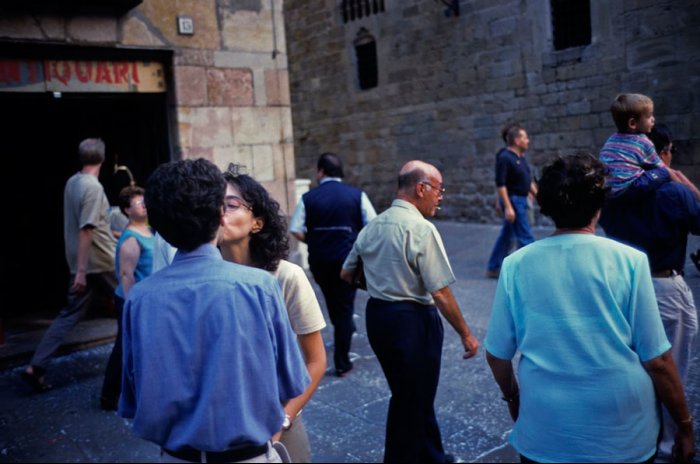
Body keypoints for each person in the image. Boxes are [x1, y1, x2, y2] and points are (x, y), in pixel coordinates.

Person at [486, 153, 695, 463]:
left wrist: (513, 396)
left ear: (546, 206)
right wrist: (685, 425)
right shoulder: (630, 261)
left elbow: (497, 355)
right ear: (599, 207)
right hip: (623, 433)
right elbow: (659, 361)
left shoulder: (515, 265)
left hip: (545, 432)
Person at [119, 158, 310, 463]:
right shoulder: (259, 287)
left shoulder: (139, 299)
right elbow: (291, 383)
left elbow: (133, 398)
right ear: (220, 215)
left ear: (158, 226)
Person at [340, 160, 480, 463]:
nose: (440, 197)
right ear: (421, 188)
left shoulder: (372, 226)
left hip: (378, 318)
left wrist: (382, 282)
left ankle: (433, 455)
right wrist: (466, 334)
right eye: (439, 190)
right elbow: (440, 292)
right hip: (413, 322)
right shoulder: (421, 229)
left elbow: (346, 275)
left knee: (412, 392)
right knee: (410, 398)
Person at [599, 134, 700, 462]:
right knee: (671, 369)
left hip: (622, 287)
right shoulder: (675, 192)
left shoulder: (612, 197)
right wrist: (687, 185)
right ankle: (669, 446)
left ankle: (638, 440)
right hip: (664, 286)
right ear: (662, 154)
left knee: (635, 368)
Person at [218, 166, 327, 463]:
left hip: (278, 419)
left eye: (230, 204)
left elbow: (316, 361)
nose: (219, 212)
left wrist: (283, 420)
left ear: (256, 222)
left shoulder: (286, 276)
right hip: (223, 421)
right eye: (215, 203)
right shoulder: (207, 279)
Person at [21, 138, 117, 392]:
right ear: (103, 159)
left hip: (80, 260)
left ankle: (36, 366)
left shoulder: (72, 182)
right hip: (100, 260)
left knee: (69, 314)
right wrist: (82, 271)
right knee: (133, 304)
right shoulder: (93, 187)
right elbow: (87, 228)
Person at [289, 152, 377, 377]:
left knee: (333, 300)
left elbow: (295, 229)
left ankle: (343, 327)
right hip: (348, 261)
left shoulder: (309, 198)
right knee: (345, 304)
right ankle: (342, 361)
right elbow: (373, 225)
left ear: (321, 172)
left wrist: (314, 240)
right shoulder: (356, 195)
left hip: (320, 261)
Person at [99, 185, 154, 411]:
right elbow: (125, 274)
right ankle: (109, 395)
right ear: (126, 210)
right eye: (138, 204)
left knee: (138, 345)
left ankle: (137, 391)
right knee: (125, 346)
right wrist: (131, 305)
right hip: (131, 299)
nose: (144, 206)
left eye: (144, 202)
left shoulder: (149, 231)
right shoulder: (131, 237)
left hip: (145, 299)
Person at [485, 123, 538, 278]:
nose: (528, 140)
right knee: (525, 235)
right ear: (516, 140)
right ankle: (534, 267)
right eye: (525, 137)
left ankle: (493, 267)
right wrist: (507, 206)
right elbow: (501, 184)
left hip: (521, 200)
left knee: (507, 235)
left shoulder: (520, 158)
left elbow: (528, 181)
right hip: (514, 201)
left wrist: (538, 195)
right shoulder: (504, 157)